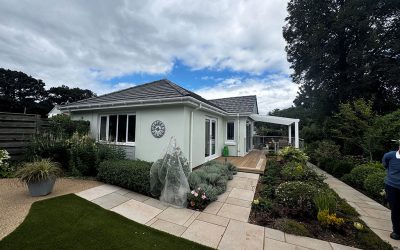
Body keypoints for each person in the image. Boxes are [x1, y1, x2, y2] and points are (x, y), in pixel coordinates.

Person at [382, 145, 400, 240]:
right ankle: (397, 231)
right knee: (395, 208)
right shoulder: (390, 156)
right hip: (392, 186)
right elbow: (385, 164)